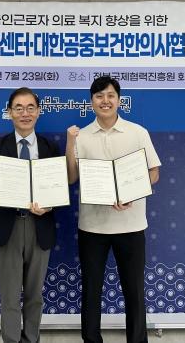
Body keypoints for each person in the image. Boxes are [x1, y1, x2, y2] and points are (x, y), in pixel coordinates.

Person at [65, 76, 161, 343]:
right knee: (91, 289)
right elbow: (71, 178)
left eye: (110, 95)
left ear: (119, 100)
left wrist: (130, 192)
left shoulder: (138, 132)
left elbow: (154, 172)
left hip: (131, 225)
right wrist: (70, 143)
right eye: (99, 96)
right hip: (92, 226)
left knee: (134, 290)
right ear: (91, 101)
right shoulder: (81, 135)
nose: (105, 101)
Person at [0, 87, 59, 343]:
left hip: (39, 225)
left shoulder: (49, 146)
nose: (25, 113)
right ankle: (12, 340)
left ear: (39, 112)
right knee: (10, 295)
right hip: (7, 227)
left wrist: (50, 205)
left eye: (30, 107)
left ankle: (31, 339)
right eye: (19, 108)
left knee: (35, 295)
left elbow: (58, 188)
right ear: (9, 112)